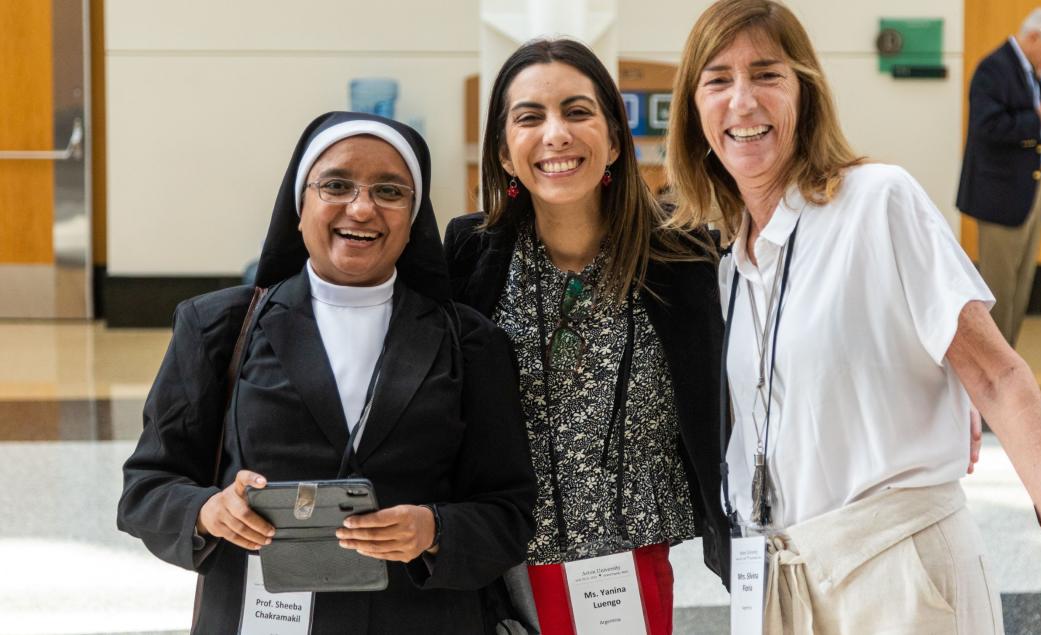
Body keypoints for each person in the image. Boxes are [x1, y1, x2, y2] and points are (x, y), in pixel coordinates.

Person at [667, 1, 1041, 634]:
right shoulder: (730, 267)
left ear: (806, 91)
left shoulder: (877, 202)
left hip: (898, 577)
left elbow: (995, 377)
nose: (742, 101)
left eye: (766, 74)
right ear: (693, 111)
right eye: (717, 80)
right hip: (783, 581)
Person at [117, 111, 536, 633]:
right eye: (336, 185)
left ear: (414, 218)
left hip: (420, 617)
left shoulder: (470, 342)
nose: (361, 208)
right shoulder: (215, 327)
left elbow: (510, 513)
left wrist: (435, 529)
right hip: (262, 616)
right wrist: (208, 510)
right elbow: (146, 491)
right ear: (300, 205)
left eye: (390, 191)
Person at [444, 39, 726, 634]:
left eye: (577, 112)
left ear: (616, 139)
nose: (556, 135)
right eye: (530, 117)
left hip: (637, 561)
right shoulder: (468, 254)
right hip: (507, 561)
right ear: (502, 150)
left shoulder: (685, 254)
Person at [957, 7, 1041, 346]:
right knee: (999, 288)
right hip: (1001, 194)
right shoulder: (994, 69)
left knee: (1022, 284)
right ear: (1032, 37)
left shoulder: (1036, 73)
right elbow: (987, 128)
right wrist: (1036, 117)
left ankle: (1007, 363)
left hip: (1033, 188)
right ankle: (993, 373)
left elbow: (1034, 128)